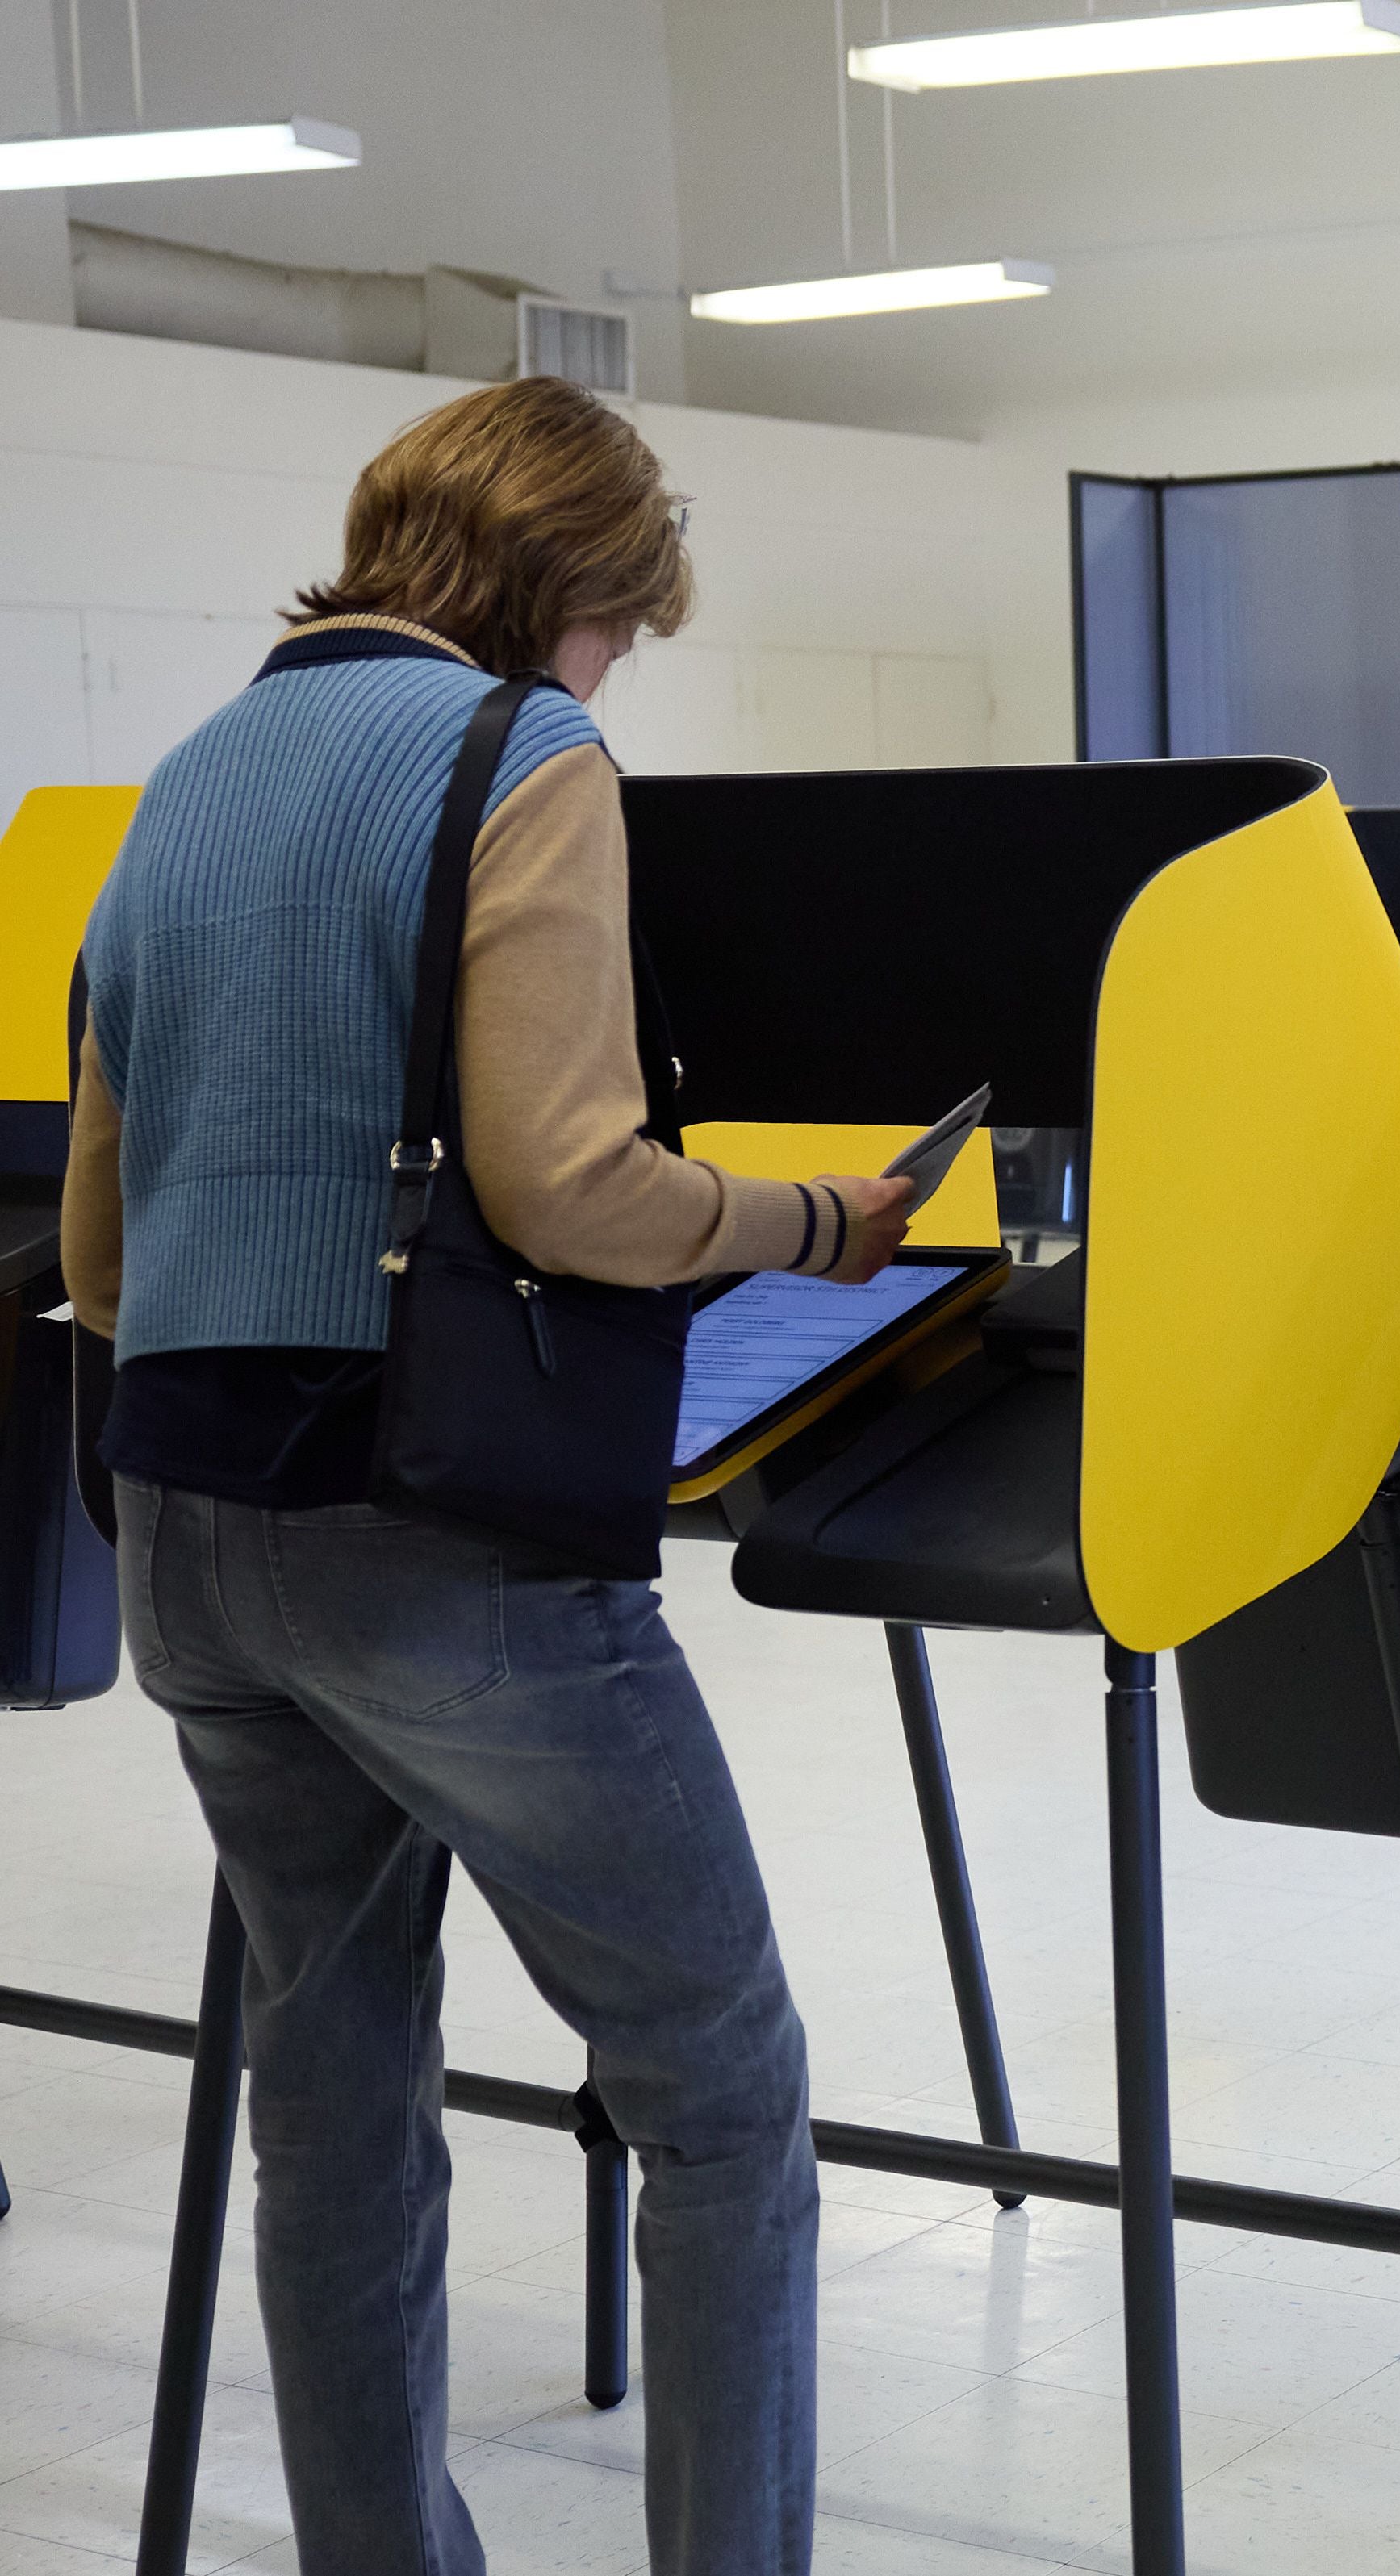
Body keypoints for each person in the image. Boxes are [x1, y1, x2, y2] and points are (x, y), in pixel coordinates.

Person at [62, 377, 914, 2572]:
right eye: (624, 621)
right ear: (564, 585)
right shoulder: (520, 755)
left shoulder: (179, 782)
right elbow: (562, 1186)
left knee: (333, 2102)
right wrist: (802, 1219)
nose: (620, 662)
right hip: (431, 1538)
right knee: (717, 2094)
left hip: (178, 1528)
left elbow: (95, 1240)